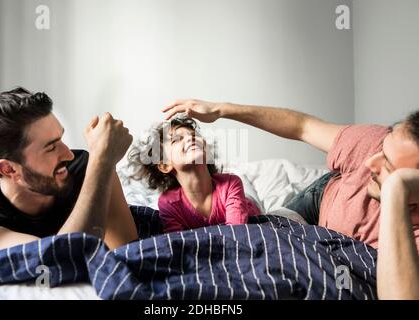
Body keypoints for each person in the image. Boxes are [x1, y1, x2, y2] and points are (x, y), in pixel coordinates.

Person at [162, 99, 419, 299]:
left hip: (334, 240)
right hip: (319, 201)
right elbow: (302, 126)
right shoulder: (371, 142)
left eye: (388, 164)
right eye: (381, 149)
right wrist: (221, 109)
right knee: (265, 236)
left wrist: (395, 190)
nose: (369, 162)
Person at [0, 87, 138, 251]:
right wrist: (103, 161)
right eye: (50, 148)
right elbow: (63, 260)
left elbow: (125, 251)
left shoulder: (83, 167)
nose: (69, 155)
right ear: (9, 169)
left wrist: (100, 163)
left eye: (60, 139)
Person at [127, 117, 260, 233]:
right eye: (176, 140)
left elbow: (238, 233)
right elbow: (178, 244)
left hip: (248, 203)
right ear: (165, 165)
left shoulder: (231, 183)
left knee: (242, 180)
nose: (191, 138)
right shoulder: (168, 203)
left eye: (194, 135)